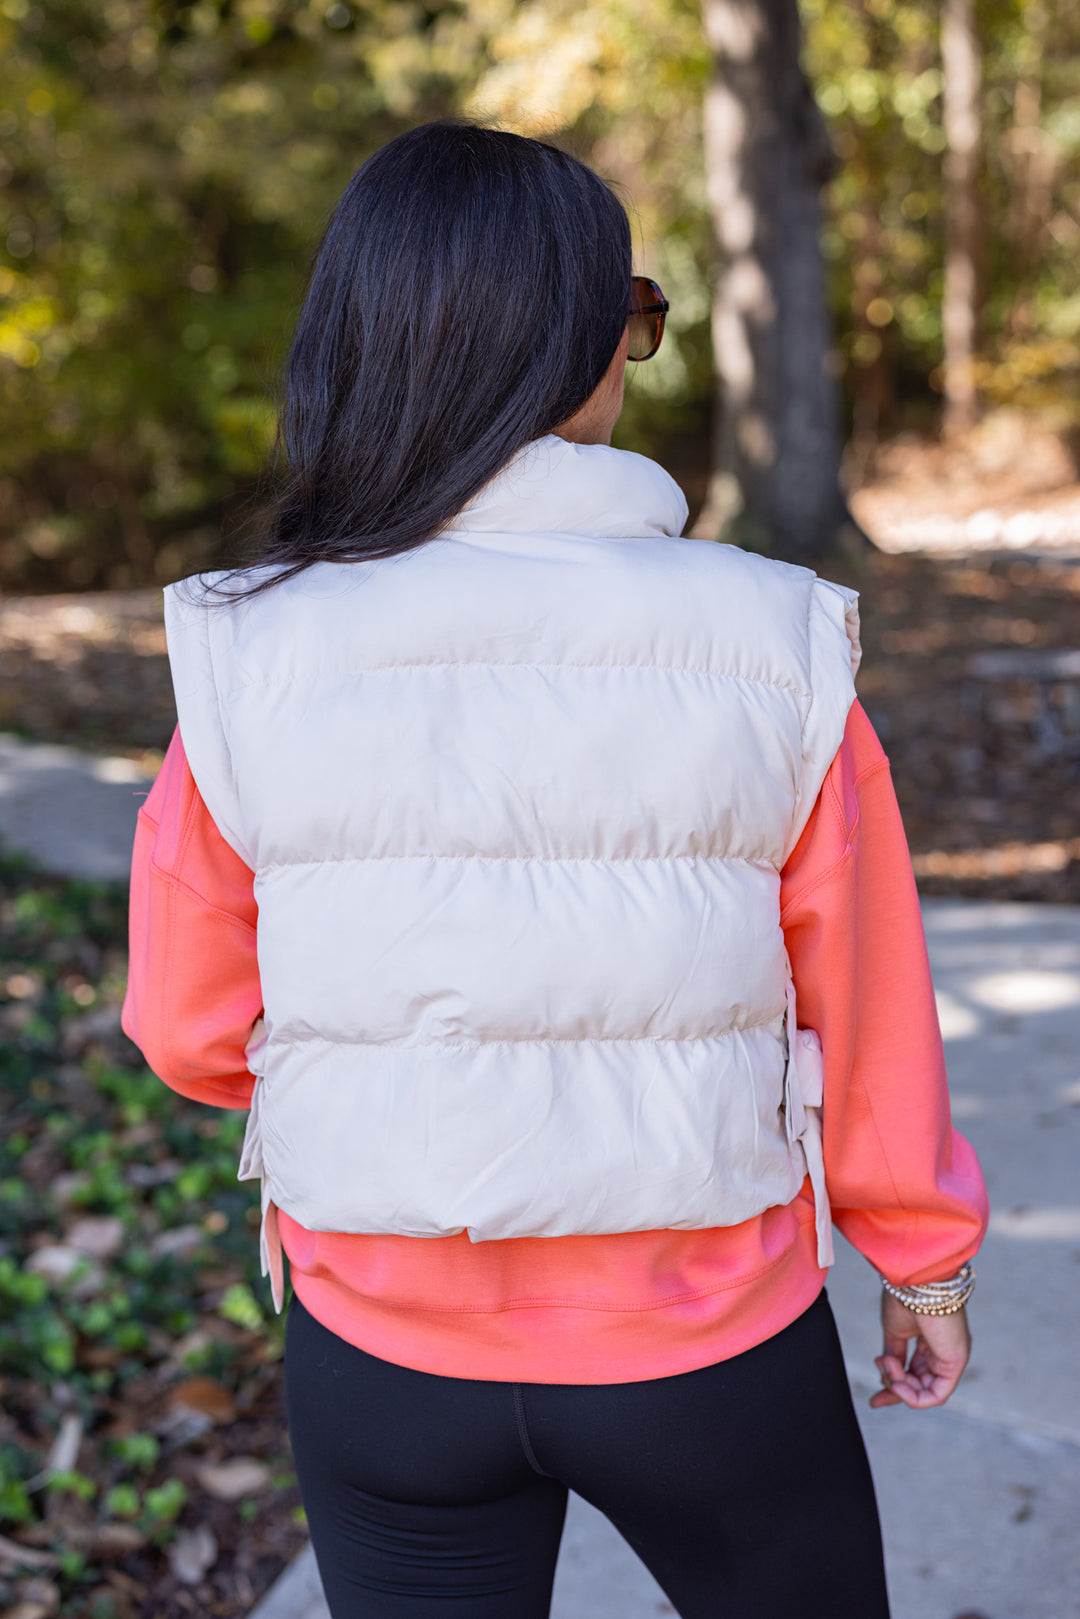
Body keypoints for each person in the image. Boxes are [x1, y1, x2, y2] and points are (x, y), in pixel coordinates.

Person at [122, 120, 988, 1619]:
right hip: (707, 1338)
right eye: (634, 316)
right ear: (582, 348)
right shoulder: (772, 641)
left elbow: (186, 1031)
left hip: (382, 1345)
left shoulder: (249, 652)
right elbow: (870, 1005)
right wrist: (924, 1265)